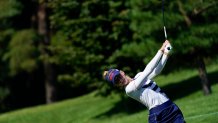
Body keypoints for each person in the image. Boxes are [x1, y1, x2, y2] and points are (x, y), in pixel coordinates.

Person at [103, 40, 185, 123]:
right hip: (158, 114)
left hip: (170, 107)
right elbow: (148, 70)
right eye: (117, 81)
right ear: (117, 85)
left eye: (118, 76)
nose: (120, 80)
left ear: (122, 72)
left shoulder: (139, 76)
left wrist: (168, 48)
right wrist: (160, 50)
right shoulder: (129, 89)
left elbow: (157, 70)